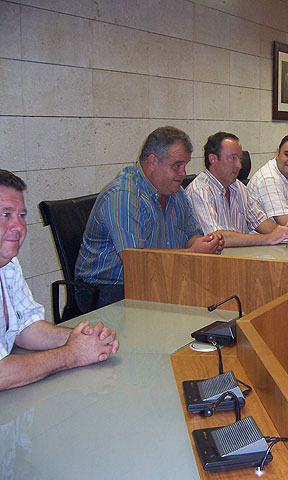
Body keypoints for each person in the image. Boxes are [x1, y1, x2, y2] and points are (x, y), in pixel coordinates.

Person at [75, 127, 224, 312]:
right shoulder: (123, 195)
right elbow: (137, 263)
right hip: (109, 288)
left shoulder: (176, 192)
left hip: (158, 278)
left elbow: (191, 236)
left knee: (219, 298)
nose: (183, 173)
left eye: (185, 165)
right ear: (153, 162)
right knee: (186, 311)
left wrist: (204, 244)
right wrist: (191, 252)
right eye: (176, 166)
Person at [0, 170, 119, 391]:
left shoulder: (8, 264)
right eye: (5, 214)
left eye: (22, 215)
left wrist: (86, 338)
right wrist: (71, 354)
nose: (19, 226)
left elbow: (27, 328)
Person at [186, 132, 288, 246]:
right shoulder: (200, 191)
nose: (239, 165)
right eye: (233, 158)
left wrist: (284, 231)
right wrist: (268, 238)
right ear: (213, 159)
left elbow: (260, 222)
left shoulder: (238, 186)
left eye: (240, 158)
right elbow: (216, 237)